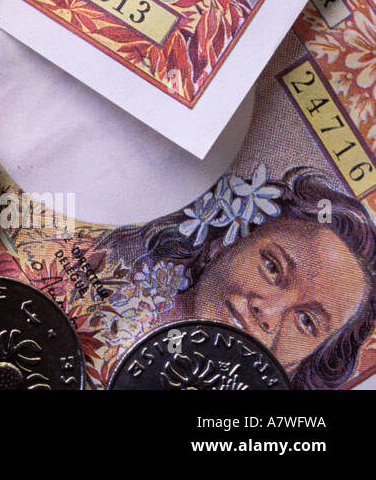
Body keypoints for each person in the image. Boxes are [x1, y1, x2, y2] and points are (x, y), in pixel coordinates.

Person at [104, 165, 376, 389]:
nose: (267, 311)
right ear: (223, 244)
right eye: (272, 268)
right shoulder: (106, 284)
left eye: (306, 321)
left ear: (311, 359)